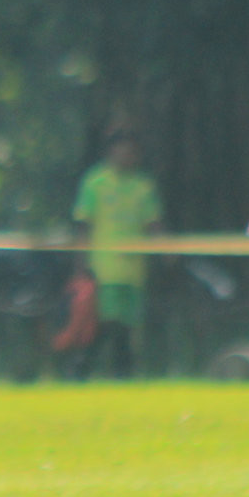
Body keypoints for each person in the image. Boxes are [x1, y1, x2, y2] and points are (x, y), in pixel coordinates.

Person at [70, 127, 163, 379]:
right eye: (122, 150)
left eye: (131, 152)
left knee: (127, 324)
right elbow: (84, 224)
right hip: (104, 269)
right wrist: (80, 265)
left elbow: (153, 223)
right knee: (105, 322)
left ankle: (121, 373)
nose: (126, 156)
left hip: (134, 272)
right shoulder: (95, 182)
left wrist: (165, 251)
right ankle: (83, 367)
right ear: (110, 151)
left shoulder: (143, 186)